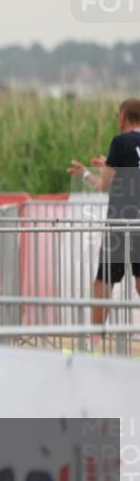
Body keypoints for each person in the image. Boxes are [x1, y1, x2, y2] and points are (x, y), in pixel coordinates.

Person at [68, 98, 140, 331]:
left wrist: (86, 174)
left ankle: (95, 342)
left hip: (121, 220)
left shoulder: (120, 142)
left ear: (123, 117)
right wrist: (110, 166)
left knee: (104, 282)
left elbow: (104, 186)